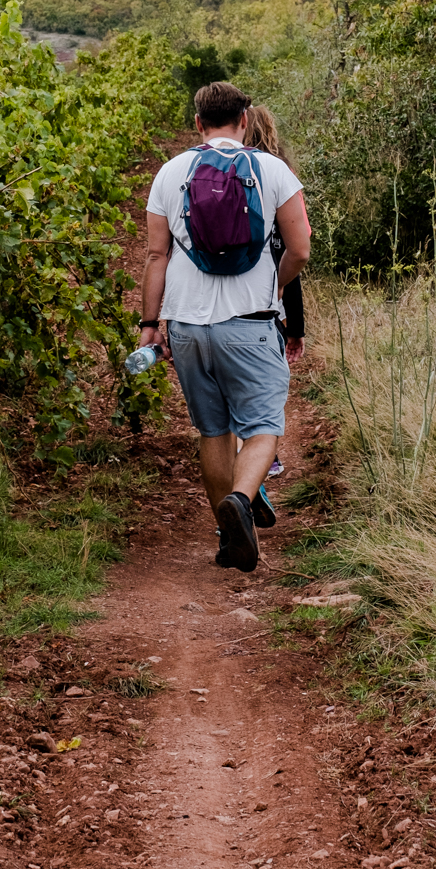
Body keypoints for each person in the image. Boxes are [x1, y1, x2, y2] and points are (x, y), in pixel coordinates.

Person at [140, 80, 311, 573]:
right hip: (250, 323)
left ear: (198, 123)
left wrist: (150, 323)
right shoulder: (273, 169)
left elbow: (156, 255)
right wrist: (273, 290)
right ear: (245, 119)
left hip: (188, 328)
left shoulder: (170, 173)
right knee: (262, 426)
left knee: (212, 429)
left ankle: (226, 533)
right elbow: (299, 249)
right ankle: (241, 498)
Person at [244, 104, 304, 478]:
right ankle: (268, 456)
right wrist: (296, 324)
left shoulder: (221, 173)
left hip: (227, 295)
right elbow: (296, 251)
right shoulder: (281, 176)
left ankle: (241, 453)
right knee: (267, 382)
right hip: (273, 293)